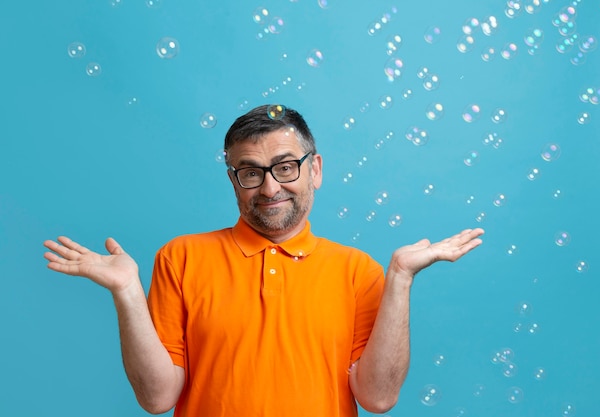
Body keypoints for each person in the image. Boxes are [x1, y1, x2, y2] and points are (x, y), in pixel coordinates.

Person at [43, 104, 484, 417]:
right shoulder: (180, 257)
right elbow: (158, 399)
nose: (270, 187)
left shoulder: (358, 271)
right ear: (233, 180)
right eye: (251, 171)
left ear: (315, 170)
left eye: (286, 166)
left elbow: (377, 398)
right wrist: (126, 293)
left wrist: (401, 279)